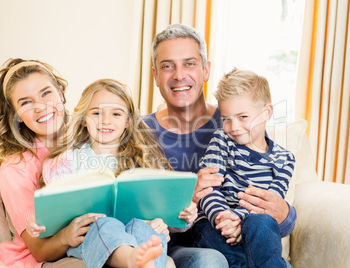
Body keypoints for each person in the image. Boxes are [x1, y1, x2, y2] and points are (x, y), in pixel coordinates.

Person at [144, 23, 297, 267]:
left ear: (206, 70)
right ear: (155, 76)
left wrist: (285, 213)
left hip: (248, 231)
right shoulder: (141, 133)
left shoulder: (236, 119)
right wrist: (187, 198)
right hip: (180, 244)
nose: (179, 75)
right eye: (167, 66)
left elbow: (276, 205)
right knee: (211, 261)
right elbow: (130, 210)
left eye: (189, 63)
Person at [27, 78, 197, 268]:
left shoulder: (146, 162)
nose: (106, 120)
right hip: (89, 240)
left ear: (128, 122)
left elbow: (170, 216)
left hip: (138, 236)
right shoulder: (65, 162)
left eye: (116, 114)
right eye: (97, 113)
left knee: (146, 230)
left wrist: (185, 214)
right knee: (105, 224)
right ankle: (130, 258)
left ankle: (139, 260)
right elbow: (52, 211)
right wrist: (37, 223)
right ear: (83, 120)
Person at [0, 58, 101, 267]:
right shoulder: (16, 167)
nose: (40, 107)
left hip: (102, 238)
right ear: (16, 116)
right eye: (26, 102)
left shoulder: (93, 134)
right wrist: (66, 236)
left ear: (61, 92)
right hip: (50, 255)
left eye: (46, 93)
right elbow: (39, 250)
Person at [194, 67, 295, 267]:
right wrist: (223, 218)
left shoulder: (284, 159)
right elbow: (208, 189)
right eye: (226, 119)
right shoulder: (221, 141)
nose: (233, 127)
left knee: (264, 223)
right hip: (215, 223)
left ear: (266, 112)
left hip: (253, 225)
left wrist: (238, 219)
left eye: (242, 117)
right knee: (207, 231)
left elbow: (268, 204)